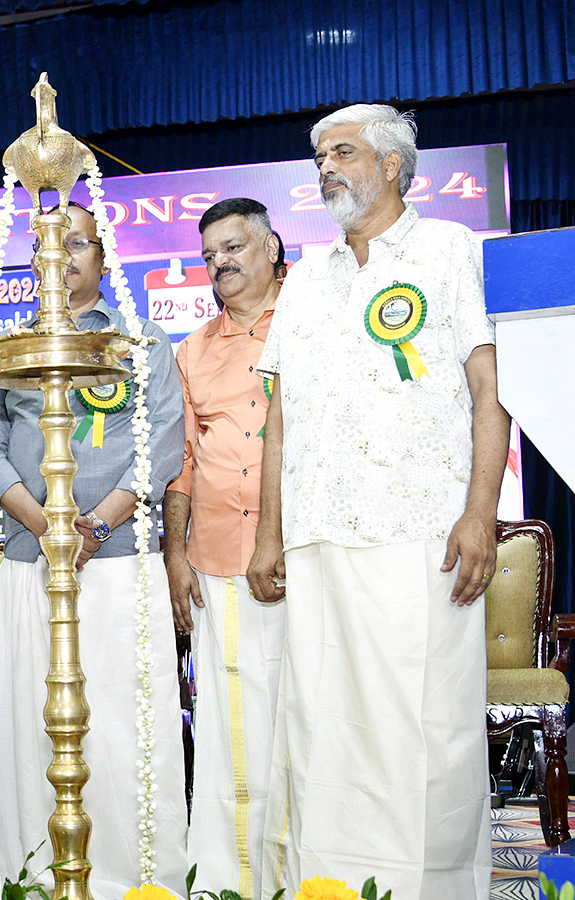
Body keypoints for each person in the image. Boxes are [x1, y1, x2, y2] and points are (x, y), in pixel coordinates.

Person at [247, 104, 509, 900]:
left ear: (393, 166)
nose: (325, 167)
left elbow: (491, 392)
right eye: (320, 155)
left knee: (422, 732)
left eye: (344, 152)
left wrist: (479, 513)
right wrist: (269, 534)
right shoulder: (305, 285)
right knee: (324, 735)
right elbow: (279, 419)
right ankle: (330, 885)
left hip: (420, 532)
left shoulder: (452, 251)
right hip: (320, 536)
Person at [0, 202, 189, 897]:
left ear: (103, 257)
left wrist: (92, 529)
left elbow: (162, 444)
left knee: (123, 730)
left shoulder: (140, 340)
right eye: (46, 246)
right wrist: (47, 528)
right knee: (29, 733)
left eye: (76, 244)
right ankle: (36, 880)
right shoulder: (7, 345)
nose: (61, 257)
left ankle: (138, 884)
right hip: (28, 562)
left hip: (118, 562)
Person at [163, 198, 286, 900]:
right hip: (214, 556)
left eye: (234, 247)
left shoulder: (315, 321)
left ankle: (305, 870)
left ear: (271, 246)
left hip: (301, 554)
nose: (221, 263)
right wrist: (175, 554)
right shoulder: (194, 349)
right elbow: (182, 459)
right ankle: (229, 877)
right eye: (210, 255)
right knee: (232, 721)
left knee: (304, 713)